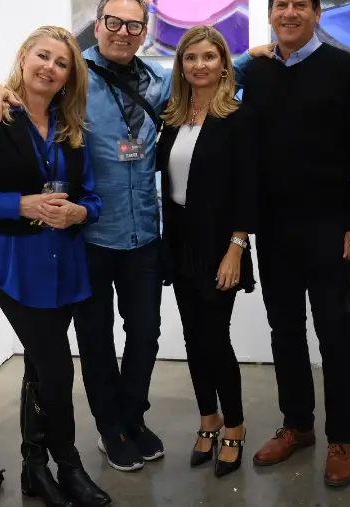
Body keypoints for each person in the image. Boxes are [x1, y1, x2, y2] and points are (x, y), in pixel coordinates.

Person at [0, 0, 256, 471]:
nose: (123, 33)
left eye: (134, 26)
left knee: (145, 335)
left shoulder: (156, 82)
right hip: (89, 236)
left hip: (144, 237)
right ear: (97, 25)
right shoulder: (73, 75)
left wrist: (260, 55)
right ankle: (110, 427)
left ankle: (133, 417)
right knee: (96, 339)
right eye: (114, 23)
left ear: (146, 32)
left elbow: (206, 75)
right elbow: (29, 88)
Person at [0, 26, 111, 507]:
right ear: (23, 57)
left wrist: (80, 212)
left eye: (62, 63)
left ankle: (35, 468)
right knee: (57, 369)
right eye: (43, 56)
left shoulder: (71, 128)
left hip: (65, 266)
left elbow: (92, 197)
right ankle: (70, 466)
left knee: (40, 365)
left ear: (69, 77)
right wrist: (20, 206)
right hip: (14, 267)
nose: (50, 67)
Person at [232, 0, 350, 488]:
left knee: (335, 334)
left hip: (329, 229)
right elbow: (198, 79)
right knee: (285, 333)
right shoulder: (257, 73)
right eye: (281, 5)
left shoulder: (344, 69)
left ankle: (343, 437)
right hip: (274, 231)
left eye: (300, 5)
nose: (289, 13)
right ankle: (298, 424)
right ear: (270, 13)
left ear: (317, 12)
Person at [155, 25, 256, 478]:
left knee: (216, 338)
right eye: (191, 57)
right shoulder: (172, 116)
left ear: (223, 64)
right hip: (178, 241)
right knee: (193, 337)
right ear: (182, 65)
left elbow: (248, 189)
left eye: (208, 57)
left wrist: (236, 248)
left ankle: (234, 423)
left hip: (220, 244)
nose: (199, 65)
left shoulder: (237, 117)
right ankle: (207, 418)